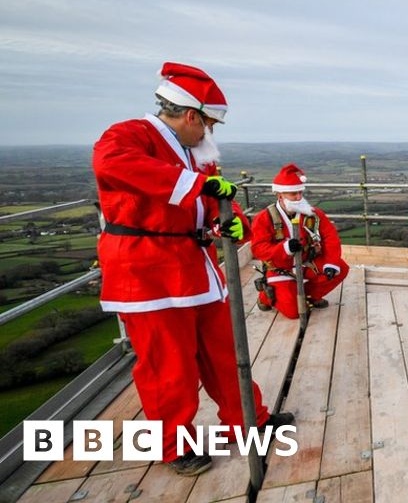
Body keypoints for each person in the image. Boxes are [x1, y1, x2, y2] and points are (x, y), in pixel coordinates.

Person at [93, 62, 292, 477]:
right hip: (147, 273)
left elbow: (214, 202)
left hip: (195, 269)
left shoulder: (197, 155)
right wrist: (196, 186)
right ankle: (172, 445)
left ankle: (247, 422)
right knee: (169, 365)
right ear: (191, 116)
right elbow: (113, 165)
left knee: (224, 351)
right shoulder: (128, 135)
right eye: (208, 124)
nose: (210, 134)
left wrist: (230, 220)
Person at [251, 163, 349, 319]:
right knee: (293, 312)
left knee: (340, 268)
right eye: (293, 194)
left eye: (300, 193)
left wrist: (331, 262)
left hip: (306, 263)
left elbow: (330, 237)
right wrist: (285, 248)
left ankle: (310, 296)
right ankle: (266, 295)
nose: (298, 197)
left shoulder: (313, 214)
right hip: (280, 268)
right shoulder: (263, 218)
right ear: (280, 195)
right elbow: (258, 249)